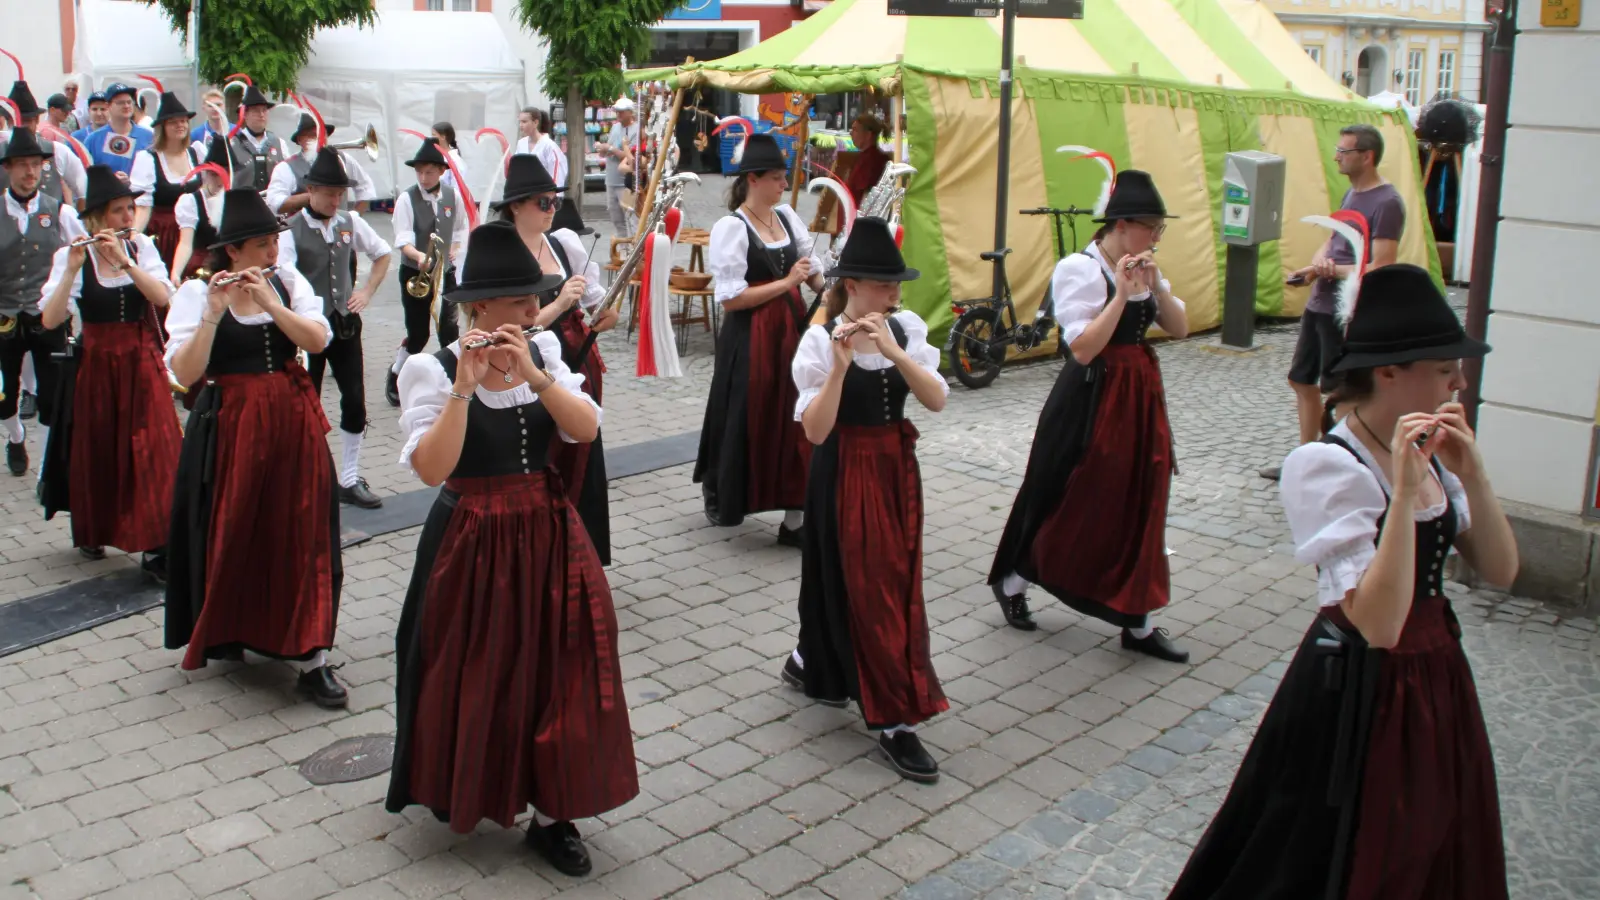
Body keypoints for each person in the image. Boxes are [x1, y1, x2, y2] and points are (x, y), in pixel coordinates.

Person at [1168, 264, 1518, 899]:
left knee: (1436, 832)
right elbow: (1378, 625)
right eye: (1444, 368)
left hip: (1436, 675)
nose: (1459, 382)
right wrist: (1407, 490)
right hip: (1359, 686)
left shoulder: (1429, 451)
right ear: (1389, 372)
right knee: (1341, 849)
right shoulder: (1328, 465)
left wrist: (1476, 475)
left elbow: (1501, 570)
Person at [387, 220, 634, 874]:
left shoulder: (544, 352)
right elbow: (432, 470)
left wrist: (538, 374)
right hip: (470, 539)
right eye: (523, 299)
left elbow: (585, 430)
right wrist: (466, 388)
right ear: (479, 307)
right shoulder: (431, 369)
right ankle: (478, 784)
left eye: (536, 297)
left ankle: (555, 813)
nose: (535, 308)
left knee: (564, 666)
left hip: (548, 532)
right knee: (479, 671)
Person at [987, 170, 1191, 662]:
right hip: (1092, 394)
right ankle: (1015, 577)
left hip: (1139, 392)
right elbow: (1082, 348)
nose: (1157, 238)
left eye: (1161, 229)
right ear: (1121, 225)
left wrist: (1156, 284)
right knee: (1067, 491)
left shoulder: (1145, 266)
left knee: (1145, 493)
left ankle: (1138, 620)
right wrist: (1121, 294)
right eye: (1152, 228)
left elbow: (1179, 328)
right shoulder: (1079, 269)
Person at [162, 188, 346, 708]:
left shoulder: (286, 283)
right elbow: (184, 374)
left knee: (303, 528)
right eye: (263, 244)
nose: (272, 253)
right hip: (231, 425)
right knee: (236, 524)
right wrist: (215, 314)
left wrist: (270, 303)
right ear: (234, 251)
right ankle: (234, 627)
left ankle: (312, 655)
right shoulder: (198, 295)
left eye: (274, 242)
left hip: (291, 420)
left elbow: (316, 341)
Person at [784, 217, 950, 783]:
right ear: (851, 285)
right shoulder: (817, 338)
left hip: (895, 469)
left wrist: (895, 352)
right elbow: (815, 431)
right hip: (843, 467)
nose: (895, 294)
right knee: (857, 580)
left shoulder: (906, 326)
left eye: (896, 284)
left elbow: (935, 400)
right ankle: (893, 719)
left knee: (889, 578)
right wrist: (840, 363)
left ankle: (811, 660)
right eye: (883, 285)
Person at [37, 165, 179, 576]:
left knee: (155, 448)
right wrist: (70, 270)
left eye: (131, 208)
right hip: (98, 365)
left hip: (141, 360)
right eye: (119, 211)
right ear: (97, 217)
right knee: (99, 448)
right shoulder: (71, 256)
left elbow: (162, 298)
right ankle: (95, 529)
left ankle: (157, 543)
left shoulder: (141, 249)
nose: (128, 218)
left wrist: (127, 263)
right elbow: (49, 319)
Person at [696, 134, 825, 543]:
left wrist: (830, 285)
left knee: (795, 415)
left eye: (784, 177)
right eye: (776, 178)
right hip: (750, 337)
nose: (784, 185)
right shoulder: (731, 227)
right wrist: (786, 282)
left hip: (791, 331)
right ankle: (727, 492)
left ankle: (795, 518)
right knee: (748, 414)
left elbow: (815, 273)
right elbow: (732, 300)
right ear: (753, 179)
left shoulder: (787, 217)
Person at [1264, 123, 1406, 481]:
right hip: (1319, 304)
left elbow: (1383, 263)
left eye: (1344, 152)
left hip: (1347, 311)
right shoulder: (1351, 195)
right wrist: (1314, 268)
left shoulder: (1387, 202)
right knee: (1301, 380)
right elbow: (1333, 240)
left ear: (1367, 156)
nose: (1336, 157)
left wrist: (1334, 271)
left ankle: (1343, 463)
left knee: (1342, 392)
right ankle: (1306, 458)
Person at [493, 156, 616, 563]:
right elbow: (506, 331)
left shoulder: (564, 243)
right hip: (524, 369)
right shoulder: (500, 251)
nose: (551, 209)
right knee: (542, 460)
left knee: (583, 454)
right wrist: (560, 303)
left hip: (577, 362)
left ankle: (582, 556)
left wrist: (606, 315)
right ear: (516, 206)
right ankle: (542, 556)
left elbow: (599, 308)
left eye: (553, 202)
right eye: (542, 203)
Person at [276, 146, 392, 510]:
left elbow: (383, 252)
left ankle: (348, 476)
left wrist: (367, 290)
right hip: (307, 329)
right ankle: (304, 475)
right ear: (310, 191)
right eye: (329, 193)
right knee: (306, 404)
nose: (335, 199)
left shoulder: (349, 223)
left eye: (340, 193)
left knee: (354, 399)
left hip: (344, 325)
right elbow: (285, 273)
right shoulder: (289, 230)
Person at [0, 128, 87, 477]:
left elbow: (84, 254)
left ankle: (46, 471)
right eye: (22, 165)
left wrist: (70, 300)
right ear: (8, 169)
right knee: (4, 396)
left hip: (47, 316)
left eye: (35, 165)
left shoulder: (61, 213)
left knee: (52, 397)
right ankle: (16, 436)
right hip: (4, 315)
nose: (29, 173)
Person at [387, 138, 467, 407]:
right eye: (419, 171)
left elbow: (459, 229)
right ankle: (398, 371)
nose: (423, 177)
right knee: (419, 332)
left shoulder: (451, 196)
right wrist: (419, 256)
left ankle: (453, 381)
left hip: (446, 273)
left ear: (441, 171)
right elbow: (403, 238)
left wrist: (455, 248)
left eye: (429, 171)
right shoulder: (406, 199)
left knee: (449, 330)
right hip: (416, 273)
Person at [129, 93, 200, 272]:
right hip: (165, 235)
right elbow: (143, 206)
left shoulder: (197, 152)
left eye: (183, 121)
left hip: (195, 231)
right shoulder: (148, 158)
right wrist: (133, 236)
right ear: (162, 127)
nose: (180, 125)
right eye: (173, 122)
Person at [2, 79, 88, 203]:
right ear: (10, 122)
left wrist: (81, 220)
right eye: (17, 122)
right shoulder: (1, 151)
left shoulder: (57, 151)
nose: (21, 127)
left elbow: (82, 190)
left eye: (27, 121)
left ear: (37, 120)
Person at [169, 134, 230, 283]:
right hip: (200, 270)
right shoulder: (191, 201)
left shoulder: (235, 199)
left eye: (225, 173)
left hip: (229, 268)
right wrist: (175, 273)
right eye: (214, 174)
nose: (219, 180)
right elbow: (185, 243)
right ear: (206, 173)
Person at [82, 83, 154, 182]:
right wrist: (110, 181)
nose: (126, 106)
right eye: (120, 103)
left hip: (141, 195)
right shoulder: (93, 139)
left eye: (129, 102)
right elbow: (84, 176)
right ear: (108, 106)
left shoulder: (148, 136)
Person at [227, 85, 292, 193]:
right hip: (241, 205)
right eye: (256, 111)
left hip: (272, 206)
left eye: (264, 110)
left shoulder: (279, 143)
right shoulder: (231, 144)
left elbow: (288, 176)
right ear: (245, 114)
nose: (261, 115)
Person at [595, 97, 638, 236]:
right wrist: (603, 149)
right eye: (617, 111)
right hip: (611, 180)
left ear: (630, 112)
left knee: (631, 219)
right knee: (616, 219)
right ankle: (623, 251)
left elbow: (631, 158)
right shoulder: (615, 127)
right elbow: (610, 150)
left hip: (626, 183)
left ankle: (633, 251)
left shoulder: (636, 130)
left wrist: (611, 149)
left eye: (621, 111)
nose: (618, 114)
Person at [514, 107, 566, 191]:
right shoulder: (521, 143)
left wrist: (552, 196)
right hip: (525, 194)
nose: (521, 125)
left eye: (524, 122)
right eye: (520, 121)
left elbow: (557, 176)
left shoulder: (549, 146)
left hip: (544, 195)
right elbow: (517, 169)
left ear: (535, 122)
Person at [844, 113, 889, 205]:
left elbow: (866, 194)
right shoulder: (867, 156)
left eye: (855, 130)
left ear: (868, 135)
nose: (851, 133)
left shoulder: (871, 159)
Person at [432, 121, 470, 197]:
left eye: (434, 135)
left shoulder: (455, 160)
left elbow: (457, 188)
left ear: (443, 137)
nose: (431, 138)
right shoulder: (437, 156)